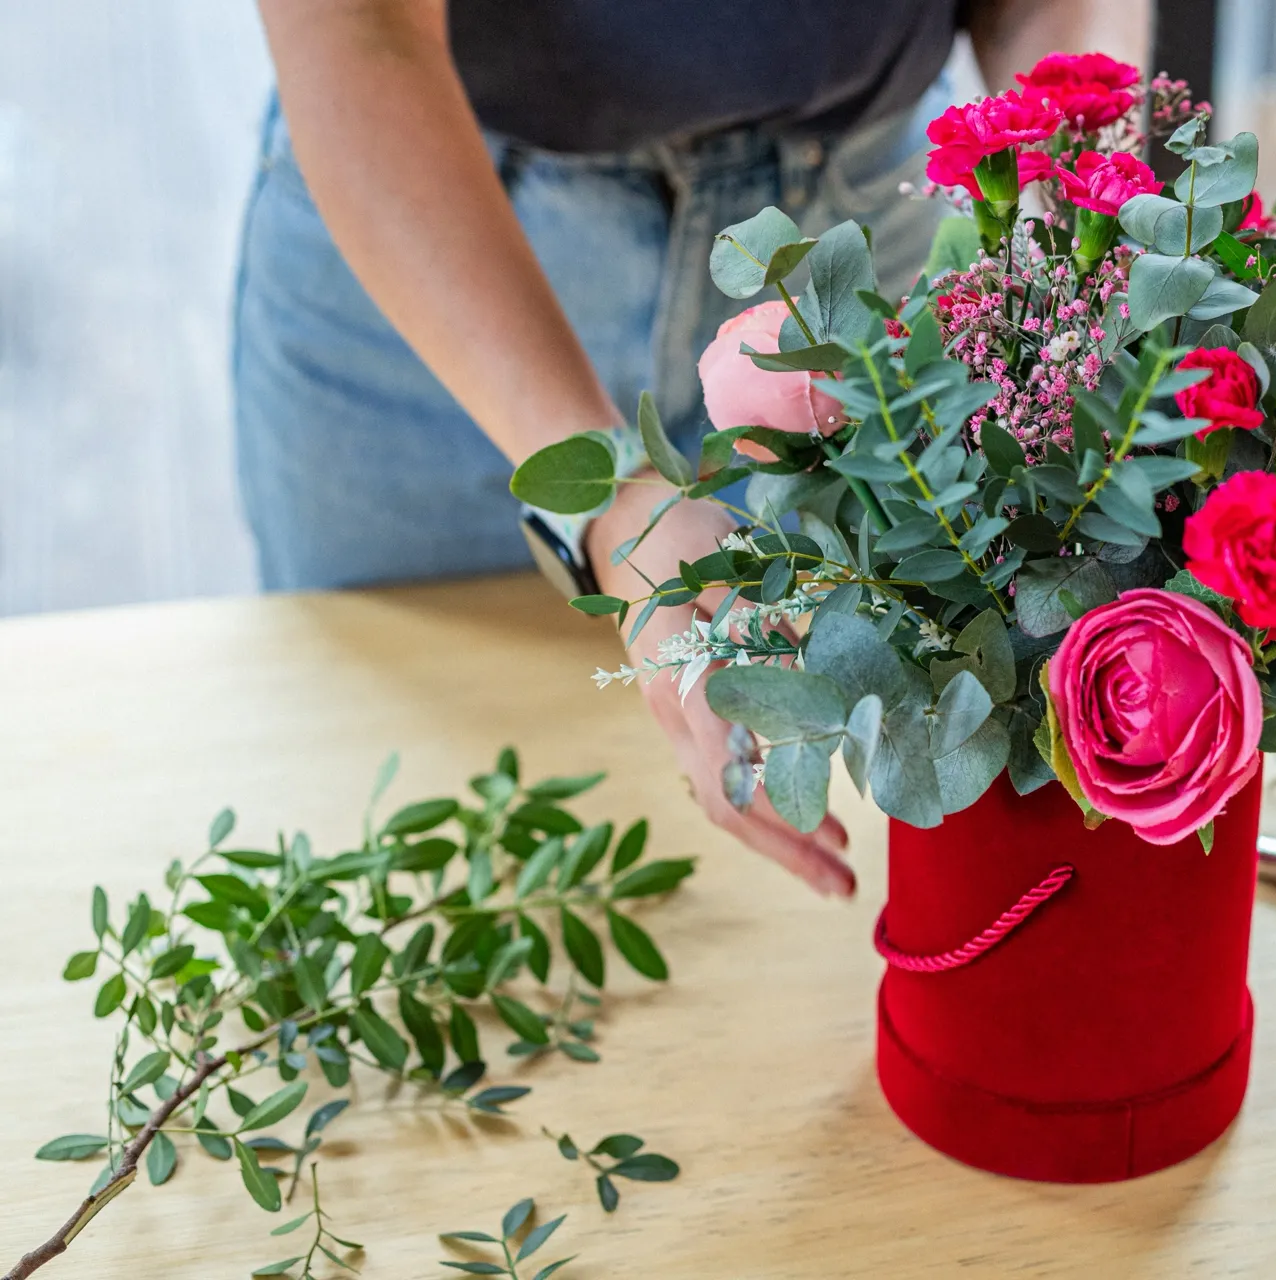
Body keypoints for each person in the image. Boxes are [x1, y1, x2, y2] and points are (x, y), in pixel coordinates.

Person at [239, 1, 1150, 898]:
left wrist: (1068, 282)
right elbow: (358, 27)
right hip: (441, 234)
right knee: (390, 818)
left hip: (872, 230)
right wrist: (608, 492)